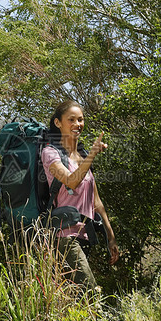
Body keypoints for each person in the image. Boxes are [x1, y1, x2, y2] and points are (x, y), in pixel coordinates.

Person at [41, 100, 119, 290]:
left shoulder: (83, 157)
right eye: (72, 120)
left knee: (74, 296)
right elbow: (72, 181)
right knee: (90, 293)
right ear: (58, 123)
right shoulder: (50, 153)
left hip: (84, 235)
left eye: (81, 120)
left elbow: (97, 202)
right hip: (63, 237)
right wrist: (92, 153)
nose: (78, 124)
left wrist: (111, 237)